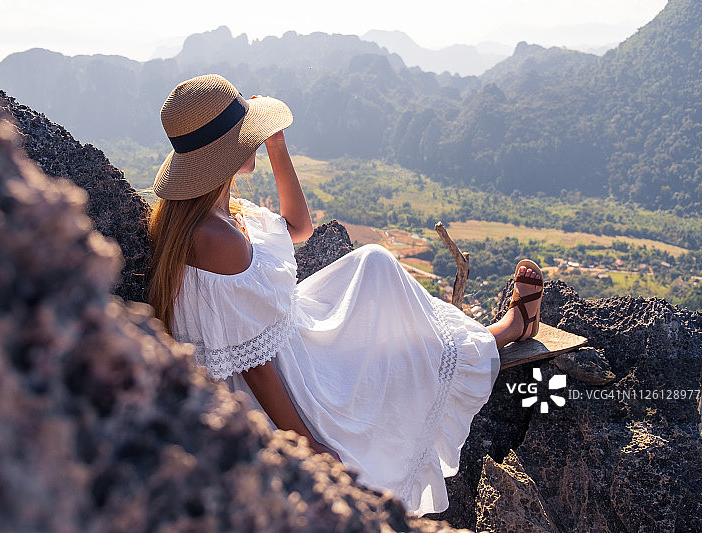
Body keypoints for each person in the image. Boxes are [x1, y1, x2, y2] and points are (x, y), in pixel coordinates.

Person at [147, 74, 543, 516]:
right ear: (227, 151)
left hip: (282, 337)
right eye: (250, 135)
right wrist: (306, 443)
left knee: (374, 265)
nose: (255, 140)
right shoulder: (216, 236)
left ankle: (485, 335)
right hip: (282, 371)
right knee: (394, 367)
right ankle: (506, 331)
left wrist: (277, 147)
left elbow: (299, 228)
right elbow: (254, 365)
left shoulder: (217, 211)